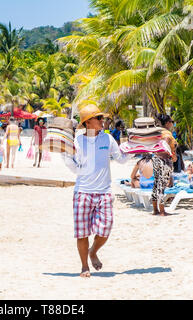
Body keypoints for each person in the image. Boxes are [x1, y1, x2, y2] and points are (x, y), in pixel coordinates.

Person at [62, 104, 131, 278]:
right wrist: (79, 170)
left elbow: (121, 159)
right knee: (82, 233)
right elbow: (69, 161)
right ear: (88, 122)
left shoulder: (107, 139)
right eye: (99, 118)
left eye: (102, 118)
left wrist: (135, 147)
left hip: (104, 192)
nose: (103, 121)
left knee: (105, 230)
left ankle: (93, 251)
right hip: (82, 192)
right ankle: (85, 266)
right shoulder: (77, 141)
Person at [152, 114, 178, 216]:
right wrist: (172, 155)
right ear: (167, 123)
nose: (172, 123)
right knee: (162, 186)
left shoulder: (158, 132)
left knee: (156, 184)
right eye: (172, 121)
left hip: (156, 159)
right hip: (165, 160)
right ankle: (162, 211)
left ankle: (155, 210)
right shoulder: (167, 134)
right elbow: (166, 144)